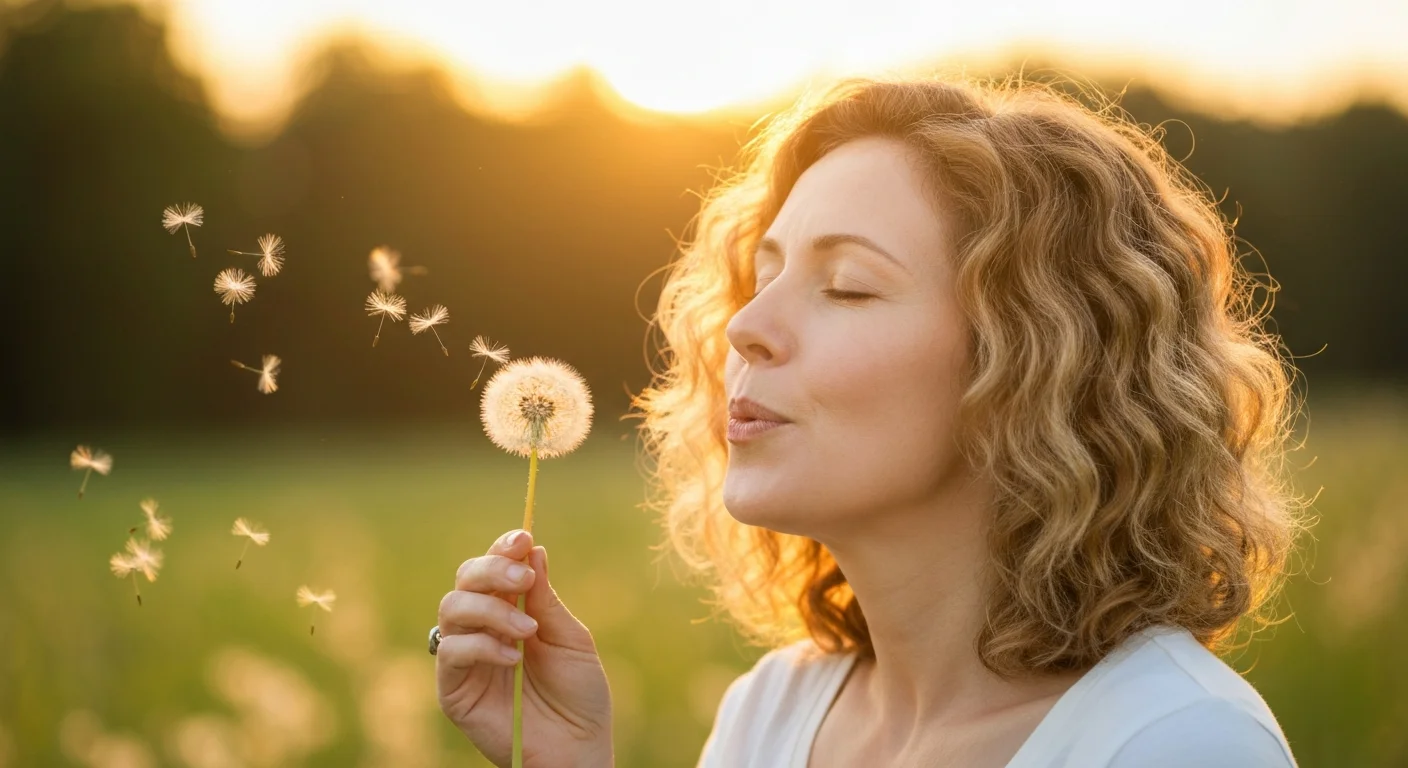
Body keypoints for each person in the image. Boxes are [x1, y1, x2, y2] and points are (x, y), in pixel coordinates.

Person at [431, 72, 1314, 767]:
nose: (744, 327)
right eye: (763, 276)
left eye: (846, 285)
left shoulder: (1171, 744)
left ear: (1034, 364)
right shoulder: (771, 714)